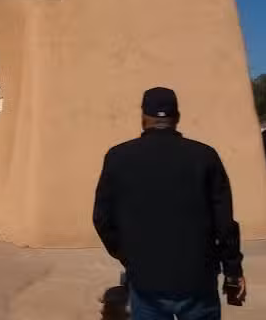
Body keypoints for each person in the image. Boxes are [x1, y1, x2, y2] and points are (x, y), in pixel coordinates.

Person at [93, 87, 247, 320]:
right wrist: (233, 271)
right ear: (177, 118)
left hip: (146, 281)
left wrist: (128, 255)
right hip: (198, 280)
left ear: (143, 118)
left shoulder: (118, 157)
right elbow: (224, 222)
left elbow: (102, 218)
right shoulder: (205, 156)